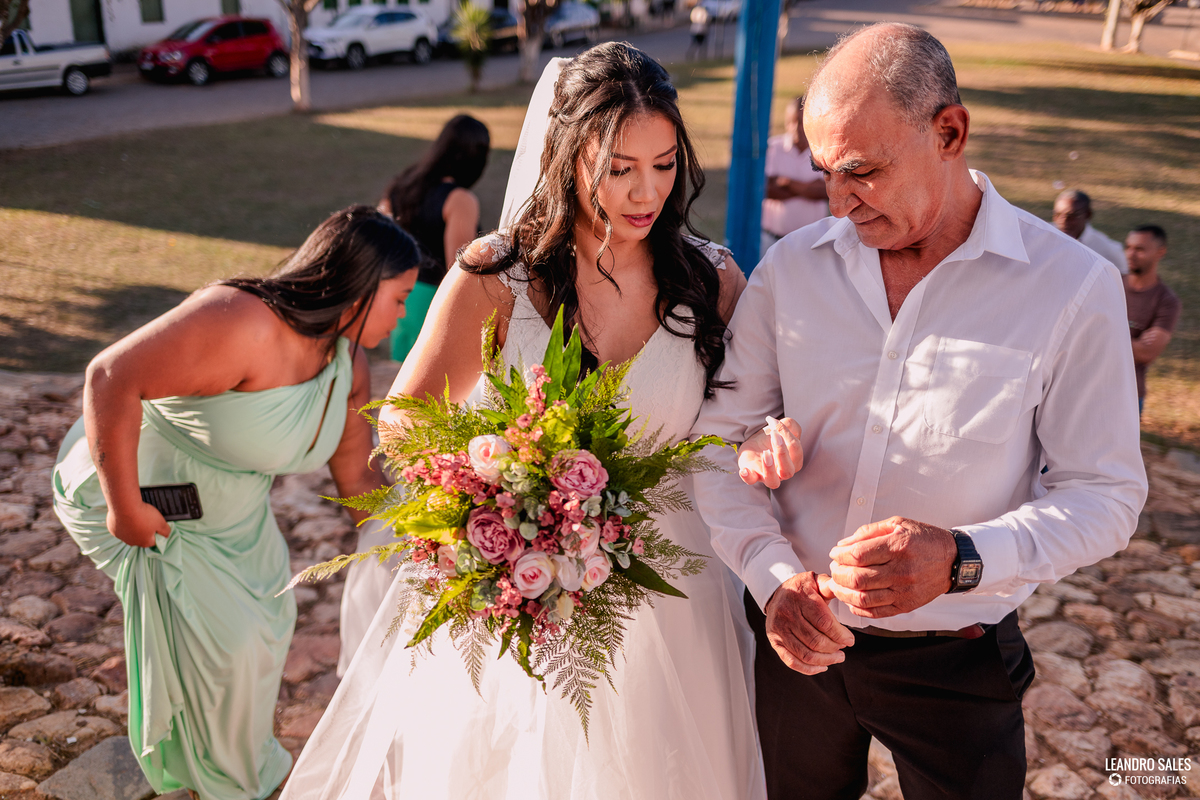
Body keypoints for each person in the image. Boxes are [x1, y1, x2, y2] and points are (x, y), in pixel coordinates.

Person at [281, 43, 766, 800]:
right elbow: (406, 420)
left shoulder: (713, 279)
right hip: (532, 592)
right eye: (619, 168)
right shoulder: (497, 275)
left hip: (679, 589)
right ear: (569, 155)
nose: (646, 193)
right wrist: (501, 500)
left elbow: (756, 419)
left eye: (664, 164)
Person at [692, 23, 1147, 800]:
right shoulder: (792, 271)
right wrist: (773, 581)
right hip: (797, 643)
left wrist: (963, 556)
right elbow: (715, 440)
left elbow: (1106, 495)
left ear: (950, 131)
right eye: (824, 171)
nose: (836, 203)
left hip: (959, 657)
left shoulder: (1071, 287)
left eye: (862, 171)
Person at [52, 207, 421, 800]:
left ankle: (221, 774)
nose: (406, 314)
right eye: (399, 297)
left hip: (236, 514)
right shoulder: (242, 322)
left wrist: (425, 536)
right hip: (144, 498)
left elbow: (355, 474)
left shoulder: (346, 364)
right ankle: (231, 784)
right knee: (231, 645)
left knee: (266, 632)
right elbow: (110, 376)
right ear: (360, 283)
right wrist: (123, 507)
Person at [380, 114, 491, 363]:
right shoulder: (460, 200)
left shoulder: (402, 185)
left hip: (400, 298)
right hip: (434, 302)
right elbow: (459, 269)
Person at [1123, 224, 1181, 414]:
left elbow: (1147, 353)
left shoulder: (1166, 301)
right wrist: (1132, 341)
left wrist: (1102, 333)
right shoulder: (1110, 283)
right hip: (1087, 386)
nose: (1130, 254)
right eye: (1128, 247)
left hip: (1129, 395)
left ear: (1160, 252)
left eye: (1139, 249)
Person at [761, 96, 827, 257]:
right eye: (792, 121)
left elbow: (827, 192)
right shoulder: (772, 148)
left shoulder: (825, 151)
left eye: (802, 122)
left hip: (812, 243)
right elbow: (766, 190)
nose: (797, 127)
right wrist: (809, 189)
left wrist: (786, 182)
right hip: (772, 240)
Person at [1053, 188, 1128, 274]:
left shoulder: (1108, 250)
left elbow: (1124, 279)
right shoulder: (1043, 236)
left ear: (1088, 214)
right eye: (1057, 214)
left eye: (1072, 215)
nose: (1063, 221)